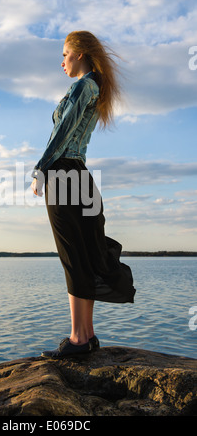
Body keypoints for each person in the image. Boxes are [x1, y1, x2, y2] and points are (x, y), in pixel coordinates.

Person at [31, 31, 136, 358]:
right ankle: (87, 336)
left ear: (79, 53)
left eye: (65, 54)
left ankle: (78, 339)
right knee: (82, 253)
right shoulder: (94, 87)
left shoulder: (82, 86)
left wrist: (41, 169)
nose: (61, 61)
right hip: (79, 178)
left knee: (72, 255)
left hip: (64, 175)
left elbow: (61, 133)